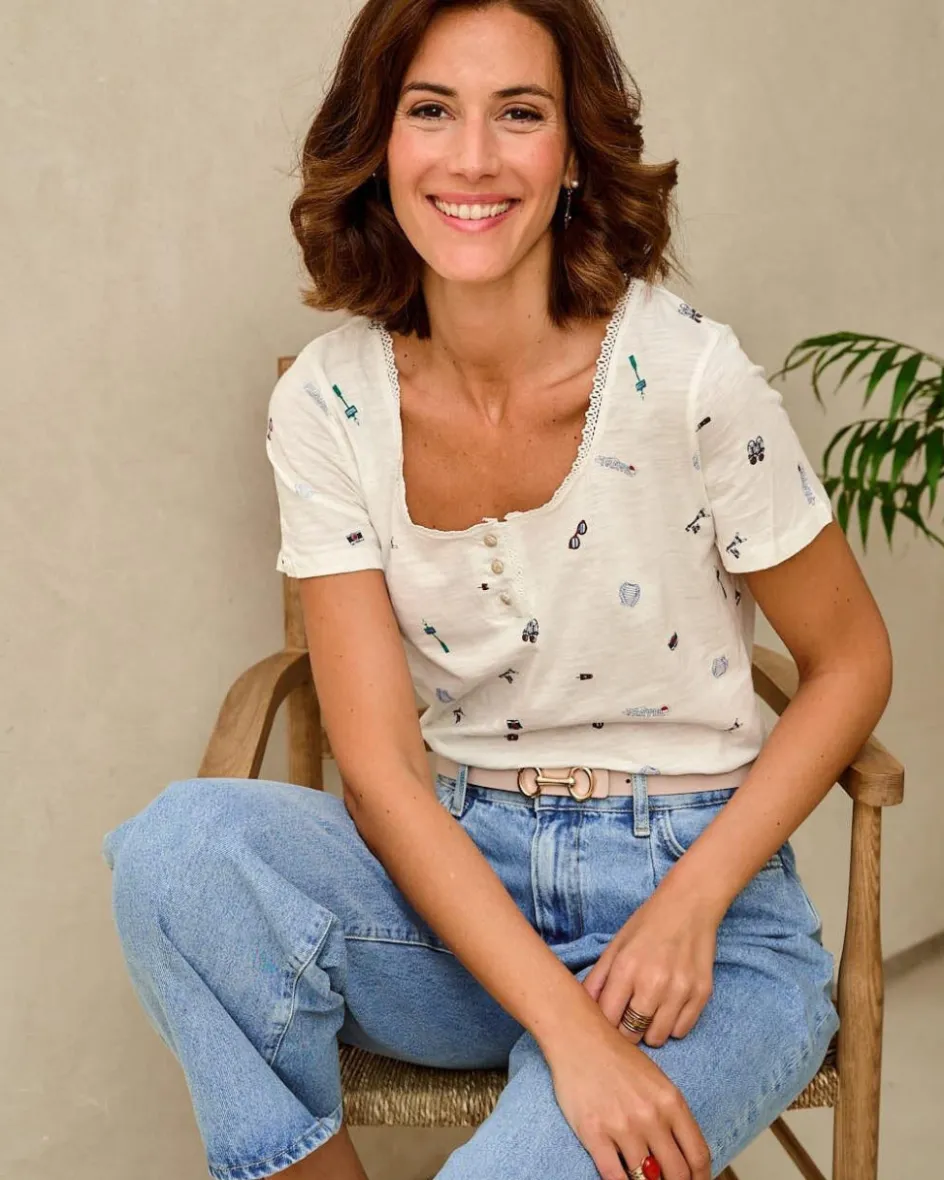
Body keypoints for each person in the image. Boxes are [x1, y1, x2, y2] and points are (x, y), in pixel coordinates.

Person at [101, 1, 894, 1178]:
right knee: (176, 853)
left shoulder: (685, 375)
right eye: (431, 110)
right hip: (460, 905)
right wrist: (570, 1033)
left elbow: (851, 659)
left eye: (518, 113)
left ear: (571, 154)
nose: (471, 158)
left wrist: (688, 904)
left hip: (699, 929)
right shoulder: (329, 404)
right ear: (380, 143)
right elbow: (379, 772)